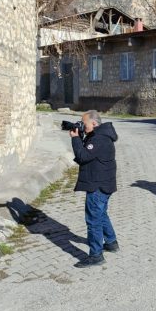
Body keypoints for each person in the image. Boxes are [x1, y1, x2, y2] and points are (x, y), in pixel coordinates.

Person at [69, 110, 119, 268]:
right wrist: (81, 137)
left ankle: (96, 255)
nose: (82, 126)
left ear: (94, 124)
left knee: (93, 220)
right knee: (101, 214)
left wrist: (76, 139)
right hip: (104, 183)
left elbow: (82, 156)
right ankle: (111, 242)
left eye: (84, 124)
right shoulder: (99, 136)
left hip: (98, 185)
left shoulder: (98, 139)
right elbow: (85, 156)